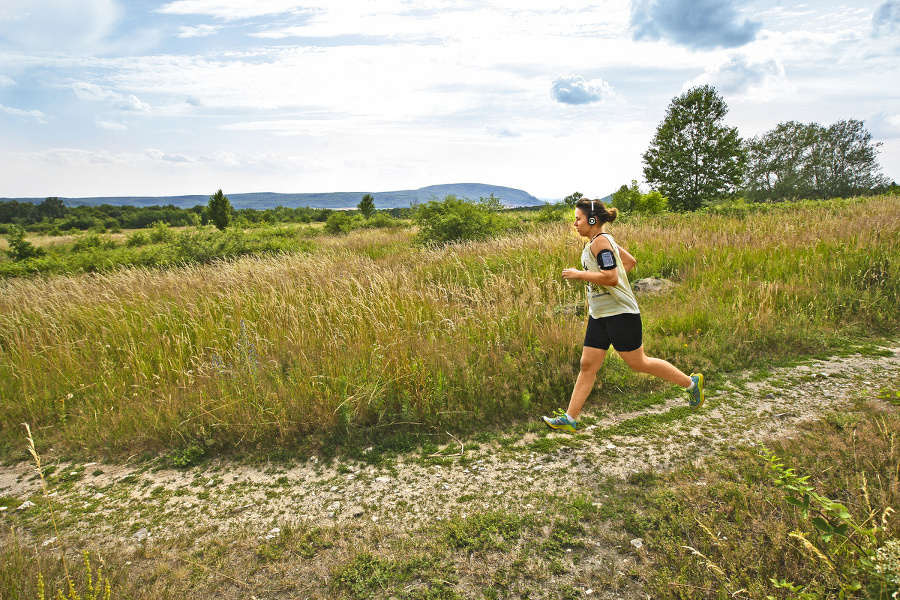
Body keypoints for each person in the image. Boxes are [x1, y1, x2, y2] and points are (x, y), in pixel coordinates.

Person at [542, 198, 704, 434]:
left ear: (592, 220)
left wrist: (581, 275)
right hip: (599, 315)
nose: (575, 223)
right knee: (587, 365)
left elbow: (611, 277)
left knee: (639, 363)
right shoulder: (601, 242)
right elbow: (629, 262)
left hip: (620, 314)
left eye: (578, 218)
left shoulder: (600, 243)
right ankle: (569, 419)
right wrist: (607, 284)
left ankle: (692, 384)